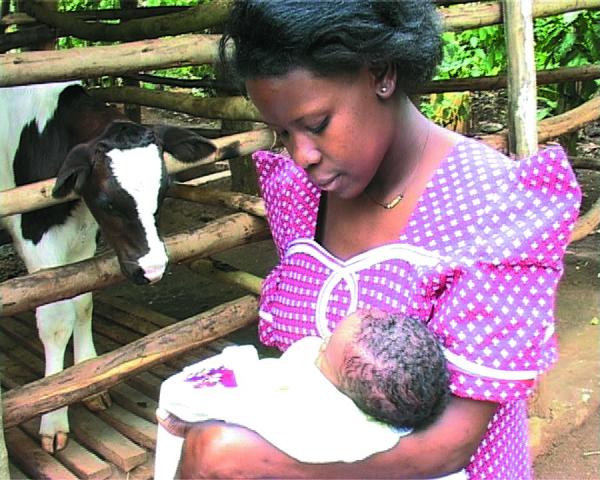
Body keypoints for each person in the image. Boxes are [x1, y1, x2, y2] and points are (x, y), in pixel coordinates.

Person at [179, 1, 582, 478]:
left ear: (381, 75)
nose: (301, 154)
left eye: (316, 124)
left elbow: (452, 446)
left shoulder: (496, 208)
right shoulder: (301, 194)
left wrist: (255, 461)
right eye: (282, 133)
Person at [155, 309, 464, 479]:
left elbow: (244, 408)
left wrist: (193, 416)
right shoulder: (392, 417)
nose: (320, 340)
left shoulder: (315, 416)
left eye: (322, 350)